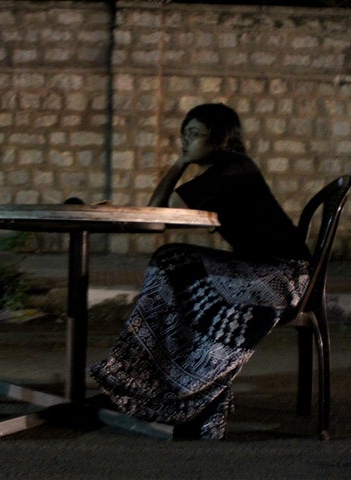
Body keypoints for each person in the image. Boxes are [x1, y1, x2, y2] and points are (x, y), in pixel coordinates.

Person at [89, 103, 311, 440]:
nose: (185, 142)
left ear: (220, 139)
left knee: (173, 263)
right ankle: (159, 380)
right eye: (184, 134)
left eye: (195, 135)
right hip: (256, 267)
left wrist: (180, 164)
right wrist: (180, 162)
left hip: (283, 276)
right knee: (172, 260)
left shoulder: (233, 168)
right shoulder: (223, 171)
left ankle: (191, 394)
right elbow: (157, 215)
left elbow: (163, 214)